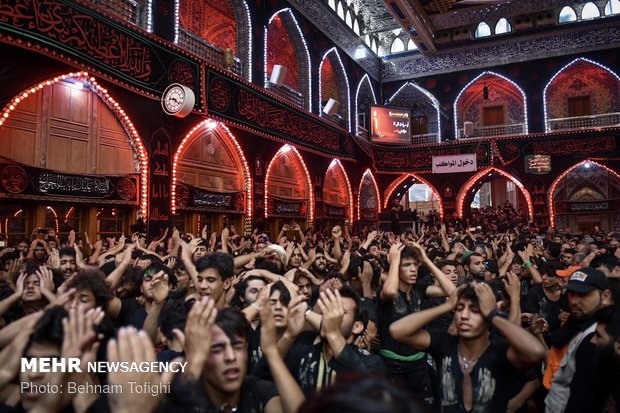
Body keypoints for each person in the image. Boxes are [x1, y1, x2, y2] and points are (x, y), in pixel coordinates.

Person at [390, 283, 547, 412]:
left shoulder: (501, 352)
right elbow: (397, 331)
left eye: (474, 310)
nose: (464, 315)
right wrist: (447, 306)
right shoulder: (445, 344)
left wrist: (493, 314)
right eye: (460, 309)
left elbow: (536, 352)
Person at [166, 297, 305, 413]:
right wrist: (194, 363)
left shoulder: (258, 391)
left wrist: (271, 351)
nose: (230, 356)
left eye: (237, 346)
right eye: (217, 349)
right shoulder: (185, 398)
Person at [545, 267, 613, 413]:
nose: (574, 301)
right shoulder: (581, 323)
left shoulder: (596, 338)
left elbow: (585, 399)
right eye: (571, 293)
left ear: (605, 297)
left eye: (583, 294)